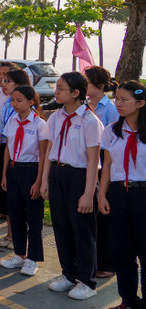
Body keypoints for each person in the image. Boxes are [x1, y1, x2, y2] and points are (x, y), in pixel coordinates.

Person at [40, 72, 103, 301]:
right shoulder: (56, 117)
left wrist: (89, 193)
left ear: (76, 93)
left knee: (82, 230)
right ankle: (68, 274)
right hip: (58, 173)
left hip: (80, 177)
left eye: (61, 88)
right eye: (56, 87)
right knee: (61, 227)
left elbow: (93, 160)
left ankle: (87, 280)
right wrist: (46, 179)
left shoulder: (89, 120)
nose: (56, 91)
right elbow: (49, 151)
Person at [98, 81, 146, 309]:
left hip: (144, 195)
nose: (118, 104)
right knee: (122, 252)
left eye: (124, 100)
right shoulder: (111, 131)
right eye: (116, 99)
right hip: (119, 194)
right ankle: (128, 301)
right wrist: (102, 195)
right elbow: (106, 165)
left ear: (141, 103)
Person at [0, 85, 49, 277]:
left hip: (31, 171)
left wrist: (39, 182)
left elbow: (43, 155)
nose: (15, 104)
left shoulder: (39, 125)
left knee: (34, 218)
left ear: (31, 102)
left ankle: (33, 258)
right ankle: (19, 254)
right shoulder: (12, 121)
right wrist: (4, 174)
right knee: (16, 214)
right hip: (13, 170)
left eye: (19, 100)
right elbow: (8, 149)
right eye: (13, 100)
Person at [85, 65, 120, 279]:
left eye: (87, 82)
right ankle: (93, 261)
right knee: (92, 218)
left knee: (105, 218)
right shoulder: (88, 106)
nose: (84, 86)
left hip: (105, 168)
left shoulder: (110, 109)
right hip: (90, 165)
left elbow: (114, 143)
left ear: (99, 85)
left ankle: (108, 263)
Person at [0, 68, 31, 250]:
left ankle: (19, 235)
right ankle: (10, 232)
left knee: (19, 197)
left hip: (21, 153)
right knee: (6, 194)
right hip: (5, 148)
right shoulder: (7, 103)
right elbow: (3, 133)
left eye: (8, 81)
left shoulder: (29, 108)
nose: (3, 85)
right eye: (3, 81)